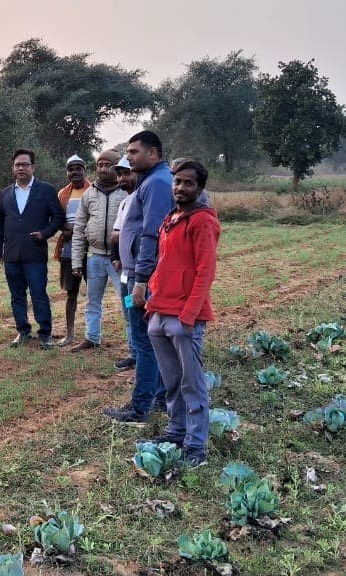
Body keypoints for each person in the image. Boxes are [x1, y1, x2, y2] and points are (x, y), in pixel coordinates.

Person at [145, 159, 220, 466]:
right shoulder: (172, 218)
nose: (181, 187)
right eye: (178, 182)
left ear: (199, 188)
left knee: (192, 383)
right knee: (172, 380)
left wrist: (189, 315)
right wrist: (151, 304)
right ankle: (176, 431)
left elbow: (205, 272)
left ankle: (196, 447)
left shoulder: (203, 221)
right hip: (160, 311)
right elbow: (164, 264)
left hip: (184, 317)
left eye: (189, 183)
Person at [103, 130, 175, 422]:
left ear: (153, 154)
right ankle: (158, 397)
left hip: (142, 276)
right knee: (151, 340)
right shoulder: (149, 181)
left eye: (134, 152)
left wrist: (142, 280)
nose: (128, 157)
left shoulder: (157, 183)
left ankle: (140, 407)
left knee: (144, 341)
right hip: (136, 273)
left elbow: (151, 235)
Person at [0, 148, 64, 349]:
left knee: (38, 294)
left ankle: (45, 334)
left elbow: (58, 218)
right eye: (18, 165)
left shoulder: (46, 190)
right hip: (12, 254)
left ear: (33, 167)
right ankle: (22, 331)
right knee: (17, 296)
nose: (21, 168)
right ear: (13, 168)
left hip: (35, 253)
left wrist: (44, 233)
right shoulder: (5, 194)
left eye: (25, 164)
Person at [69, 150, 128, 352]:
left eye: (108, 165)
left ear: (118, 166)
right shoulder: (89, 194)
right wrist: (77, 260)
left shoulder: (127, 191)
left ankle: (135, 344)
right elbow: (78, 228)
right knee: (92, 300)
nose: (103, 169)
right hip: (94, 257)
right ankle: (92, 337)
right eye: (100, 165)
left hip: (121, 259)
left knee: (127, 301)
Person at [54, 155, 92, 346]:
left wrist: (76, 229)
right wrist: (64, 227)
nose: (74, 172)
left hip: (92, 248)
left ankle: (92, 334)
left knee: (93, 292)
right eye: (71, 169)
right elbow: (56, 218)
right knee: (71, 292)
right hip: (69, 249)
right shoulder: (62, 194)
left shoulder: (94, 191)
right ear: (67, 172)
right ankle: (69, 334)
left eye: (78, 168)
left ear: (85, 170)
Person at [109, 156, 138, 369]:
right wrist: (115, 257)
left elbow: (123, 234)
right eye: (119, 174)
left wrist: (121, 237)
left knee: (138, 314)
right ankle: (134, 352)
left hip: (139, 272)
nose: (122, 179)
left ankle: (141, 354)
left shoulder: (141, 199)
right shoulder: (124, 202)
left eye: (127, 173)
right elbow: (115, 234)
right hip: (125, 271)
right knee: (129, 312)